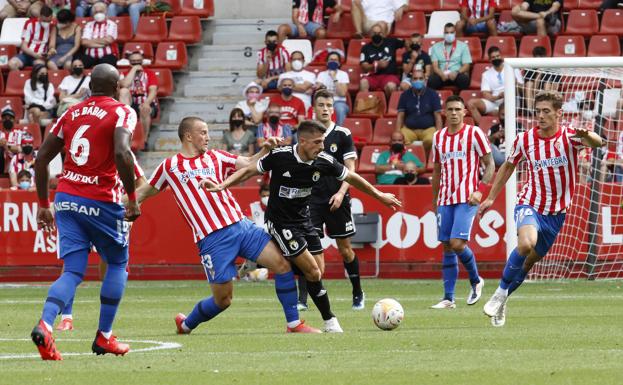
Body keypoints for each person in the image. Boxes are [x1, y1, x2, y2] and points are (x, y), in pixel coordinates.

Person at [203, 120, 402, 332]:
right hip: (280, 222)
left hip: (304, 220)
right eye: (317, 142)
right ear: (303, 141)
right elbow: (249, 170)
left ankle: (260, 261)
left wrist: (379, 195)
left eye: (323, 142)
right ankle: (330, 321)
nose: (322, 147)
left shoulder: (324, 160)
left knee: (317, 271)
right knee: (313, 272)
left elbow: (351, 177)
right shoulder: (280, 156)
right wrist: (222, 185)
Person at [134, 117, 321, 335]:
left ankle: (294, 324)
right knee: (223, 300)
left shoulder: (216, 156)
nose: (207, 137)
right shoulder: (170, 166)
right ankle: (185, 324)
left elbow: (249, 163)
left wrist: (265, 150)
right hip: (212, 239)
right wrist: (119, 205)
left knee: (282, 265)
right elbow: (144, 192)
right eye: (202, 132)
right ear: (188, 136)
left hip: (241, 227)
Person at [31, 63, 141, 360]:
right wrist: (131, 198)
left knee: (74, 271)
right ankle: (104, 336)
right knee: (118, 263)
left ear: (89, 87)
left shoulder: (69, 113)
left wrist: (44, 205)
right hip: (101, 199)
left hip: (66, 198)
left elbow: (41, 159)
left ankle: (45, 324)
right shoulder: (122, 111)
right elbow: (122, 152)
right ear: (117, 87)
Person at [480, 90, 603, 327]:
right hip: (530, 203)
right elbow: (507, 166)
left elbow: (597, 142)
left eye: (546, 111)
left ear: (559, 113)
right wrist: (491, 198)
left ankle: (503, 300)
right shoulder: (524, 140)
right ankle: (499, 292)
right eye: (538, 111)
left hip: (557, 214)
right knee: (526, 244)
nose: (541, 116)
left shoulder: (570, 137)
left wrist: (588, 135)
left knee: (528, 264)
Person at [56, 154, 147, 332]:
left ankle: (106, 321)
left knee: (109, 266)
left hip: (110, 215)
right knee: (71, 264)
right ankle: (67, 317)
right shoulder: (83, 150)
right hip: (82, 207)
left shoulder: (123, 154)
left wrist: (130, 205)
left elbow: (142, 183)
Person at [302, 89, 364, 311]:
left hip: (337, 197)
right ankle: (303, 299)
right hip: (311, 200)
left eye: (329, 105)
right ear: (314, 108)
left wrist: (340, 193)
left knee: (345, 248)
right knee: (307, 250)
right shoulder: (306, 134)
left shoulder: (343, 134)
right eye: (321, 105)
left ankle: (357, 291)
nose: (326, 109)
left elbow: (351, 169)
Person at [430, 95, 494, 309]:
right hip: (445, 198)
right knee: (447, 245)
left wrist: (480, 191)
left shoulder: (474, 133)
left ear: (464, 112)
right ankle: (449, 298)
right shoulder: (438, 138)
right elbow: (437, 170)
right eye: (451, 110)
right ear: (445, 113)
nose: (454, 113)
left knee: (458, 243)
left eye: (458, 109)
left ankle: (476, 280)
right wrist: (435, 199)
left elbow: (490, 164)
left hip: (467, 197)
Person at [467, 46, 524, 126]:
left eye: (498, 56)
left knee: (502, 111)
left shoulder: (513, 69)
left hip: (511, 99)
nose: (496, 58)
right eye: (493, 57)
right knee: (471, 103)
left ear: (501, 56)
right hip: (495, 101)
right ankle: (484, 128)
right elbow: (486, 94)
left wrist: (514, 85)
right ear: (490, 59)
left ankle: (499, 113)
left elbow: (522, 88)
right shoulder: (486, 74)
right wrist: (498, 97)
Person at [396, 68, 442, 158]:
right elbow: (400, 116)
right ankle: (409, 160)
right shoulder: (405, 95)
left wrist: (439, 133)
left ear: (425, 80)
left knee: (431, 140)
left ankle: (424, 160)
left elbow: (438, 116)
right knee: (400, 140)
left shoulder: (433, 94)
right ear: (411, 80)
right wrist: (397, 132)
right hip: (409, 129)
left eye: (421, 79)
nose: (418, 81)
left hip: (428, 129)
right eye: (415, 79)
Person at [119, 51, 158, 139]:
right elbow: (125, 84)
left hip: (146, 103)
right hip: (131, 103)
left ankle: (144, 139)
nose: (136, 63)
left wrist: (146, 103)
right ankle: (127, 135)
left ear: (142, 61)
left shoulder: (150, 73)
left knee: (144, 109)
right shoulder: (124, 74)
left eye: (138, 61)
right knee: (124, 91)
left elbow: (153, 90)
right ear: (129, 62)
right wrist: (133, 70)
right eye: (133, 61)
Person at [359, 23, 404, 99]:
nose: (377, 35)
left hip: (390, 76)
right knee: (363, 82)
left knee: (391, 86)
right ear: (370, 34)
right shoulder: (365, 48)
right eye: (374, 33)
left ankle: (390, 107)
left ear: (383, 34)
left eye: (379, 33)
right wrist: (376, 65)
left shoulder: (391, 42)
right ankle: (367, 106)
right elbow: (364, 66)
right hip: (373, 76)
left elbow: (407, 43)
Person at [8, 5, 54, 70]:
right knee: (11, 64)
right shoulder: (30, 23)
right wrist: (35, 55)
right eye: (44, 21)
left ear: (51, 17)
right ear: (40, 16)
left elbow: (52, 45)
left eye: (48, 21)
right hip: (26, 54)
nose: (46, 23)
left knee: (40, 68)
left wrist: (50, 52)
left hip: (40, 56)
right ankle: (21, 79)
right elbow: (24, 46)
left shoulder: (52, 25)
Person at [428, 23, 472, 91]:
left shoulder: (463, 46)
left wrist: (456, 72)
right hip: (442, 74)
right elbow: (435, 67)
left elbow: (466, 65)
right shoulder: (435, 47)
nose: (449, 35)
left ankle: (459, 99)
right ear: (444, 33)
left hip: (456, 74)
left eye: (451, 32)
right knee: (431, 81)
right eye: (447, 33)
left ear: (455, 33)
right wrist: (441, 74)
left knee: (464, 80)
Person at [315, 52, 350, 125]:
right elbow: (318, 92)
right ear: (327, 62)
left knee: (340, 109)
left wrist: (334, 78)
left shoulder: (343, 74)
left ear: (339, 63)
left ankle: (339, 133)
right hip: (324, 102)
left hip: (339, 102)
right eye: (331, 59)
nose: (333, 61)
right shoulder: (322, 75)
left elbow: (342, 93)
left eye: (335, 60)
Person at [80, 2, 118, 68]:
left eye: (100, 11)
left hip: (108, 55)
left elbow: (108, 40)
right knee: (80, 63)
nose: (98, 14)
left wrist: (91, 41)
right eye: (96, 12)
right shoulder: (89, 25)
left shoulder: (112, 24)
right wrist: (102, 44)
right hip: (90, 56)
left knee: (106, 64)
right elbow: (84, 42)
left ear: (105, 12)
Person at [523, 46, 560, 113]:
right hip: (534, 92)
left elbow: (555, 87)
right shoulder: (530, 69)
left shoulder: (553, 68)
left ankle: (547, 109)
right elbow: (534, 90)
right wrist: (539, 72)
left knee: (547, 84)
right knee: (529, 84)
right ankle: (530, 111)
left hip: (549, 92)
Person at [0, 108, 25, 172]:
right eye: (5, 118)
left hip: (15, 162)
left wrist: (6, 145)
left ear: (14, 120)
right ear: (2, 120)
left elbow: (20, 149)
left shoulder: (20, 133)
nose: (7, 120)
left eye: (10, 118)